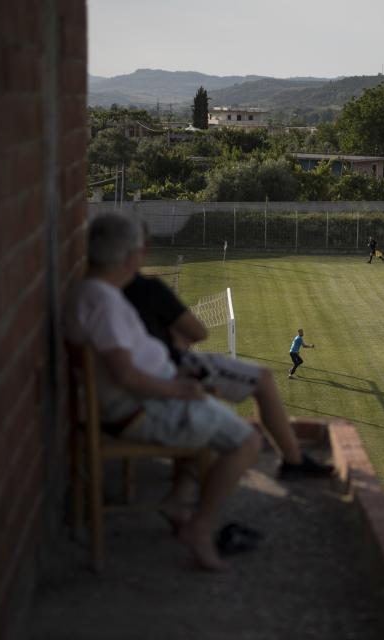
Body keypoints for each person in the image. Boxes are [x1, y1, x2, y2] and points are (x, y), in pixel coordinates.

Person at [66, 212, 259, 572]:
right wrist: (177, 389)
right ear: (129, 256)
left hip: (145, 398)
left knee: (216, 401)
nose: (143, 256)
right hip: (142, 409)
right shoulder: (103, 302)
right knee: (248, 441)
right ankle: (199, 528)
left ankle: (177, 502)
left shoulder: (90, 292)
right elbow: (126, 376)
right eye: (141, 250)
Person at [124, 267, 332, 482]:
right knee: (261, 383)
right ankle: (292, 460)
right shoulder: (146, 290)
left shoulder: (96, 296)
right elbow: (197, 333)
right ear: (139, 250)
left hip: (118, 406)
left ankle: (183, 492)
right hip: (161, 383)